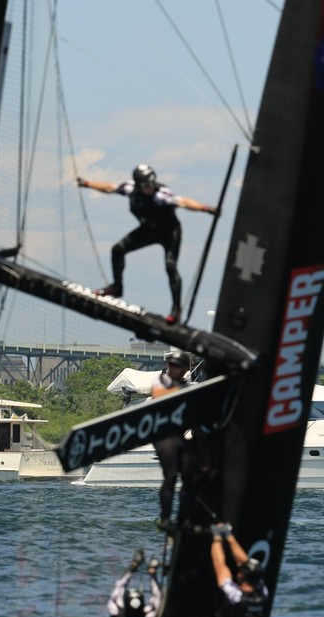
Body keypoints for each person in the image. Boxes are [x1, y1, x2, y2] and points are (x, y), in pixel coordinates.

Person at [77, 164, 216, 323]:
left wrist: (205, 208)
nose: (151, 187)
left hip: (170, 233)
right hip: (149, 230)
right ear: (139, 185)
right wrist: (87, 183)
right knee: (117, 249)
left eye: (152, 183)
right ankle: (117, 287)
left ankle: (176, 309)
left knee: (170, 266)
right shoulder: (130, 189)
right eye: (146, 185)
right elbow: (109, 187)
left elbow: (183, 202)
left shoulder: (161, 195)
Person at [152, 350, 195, 531]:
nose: (173, 369)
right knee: (170, 476)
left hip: (179, 435)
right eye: (171, 365)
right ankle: (165, 518)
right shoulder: (161, 382)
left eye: (177, 366)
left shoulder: (188, 386)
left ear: (185, 369)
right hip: (163, 437)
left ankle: (184, 519)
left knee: (190, 478)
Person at [207, 522, 269, 617]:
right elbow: (245, 563)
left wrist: (217, 537)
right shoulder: (263, 592)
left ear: (242, 576)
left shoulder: (235, 595)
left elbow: (220, 566)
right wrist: (229, 536)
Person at [107, 549, 162, 617]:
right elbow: (158, 597)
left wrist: (134, 565)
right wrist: (153, 573)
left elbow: (119, 586)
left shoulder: (117, 612)